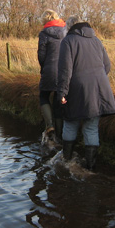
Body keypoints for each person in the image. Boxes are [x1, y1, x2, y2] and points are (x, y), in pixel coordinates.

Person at [57, 15, 115, 170]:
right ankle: (90, 168)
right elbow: (107, 66)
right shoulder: (96, 41)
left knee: (70, 123)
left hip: (76, 89)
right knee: (91, 127)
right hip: (99, 89)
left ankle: (66, 161)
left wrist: (62, 92)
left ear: (69, 27)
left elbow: (65, 71)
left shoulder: (68, 41)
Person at [37, 9, 66, 139]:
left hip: (49, 70)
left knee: (43, 95)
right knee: (58, 100)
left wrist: (44, 68)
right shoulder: (66, 31)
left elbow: (41, 55)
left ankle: (50, 126)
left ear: (45, 20)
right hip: (64, 70)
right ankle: (59, 135)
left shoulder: (44, 33)